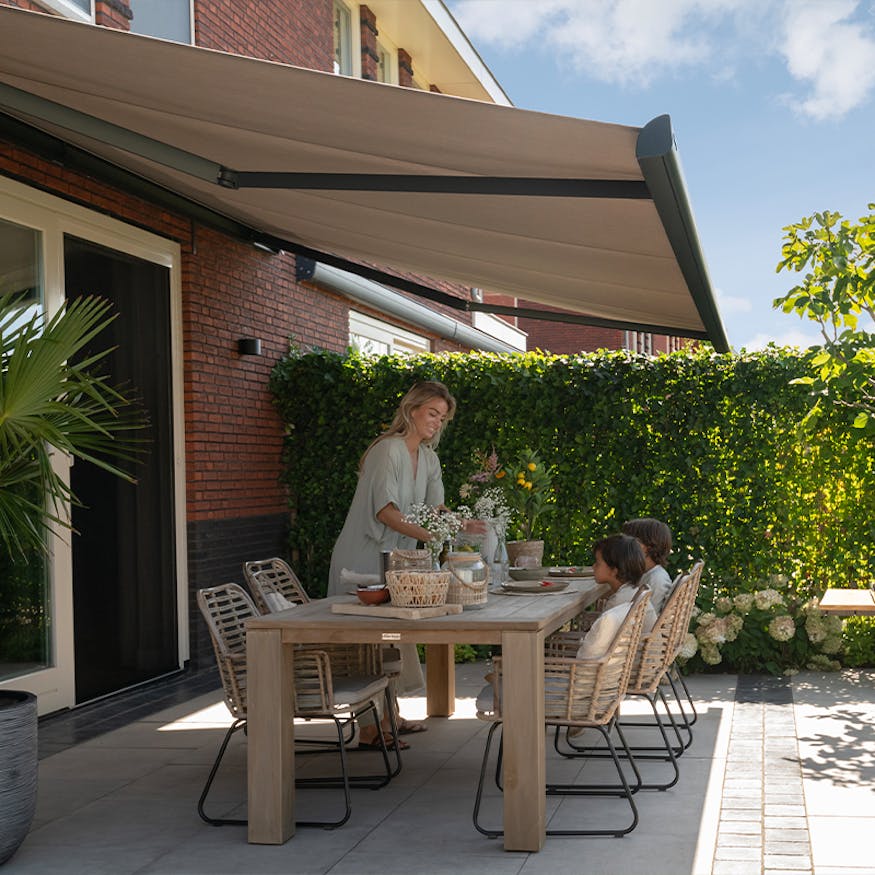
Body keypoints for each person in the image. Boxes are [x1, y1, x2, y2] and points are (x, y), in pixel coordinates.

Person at [328, 381, 484, 747]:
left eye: (442, 417)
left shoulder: (428, 458)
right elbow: (386, 512)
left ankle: (391, 717)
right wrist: (432, 537)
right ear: (411, 410)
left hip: (398, 562)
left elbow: (435, 510)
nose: (437, 422)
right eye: (432, 413)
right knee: (368, 643)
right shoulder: (387, 451)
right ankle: (370, 729)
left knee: (393, 638)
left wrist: (464, 525)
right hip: (362, 559)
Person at [577, 532, 657, 634]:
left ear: (614, 571)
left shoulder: (617, 604)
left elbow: (598, 639)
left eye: (598, 562)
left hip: (637, 649)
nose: (593, 566)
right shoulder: (632, 591)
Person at [621, 517, 674, 614]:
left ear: (646, 548)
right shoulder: (645, 574)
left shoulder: (656, 580)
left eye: (629, 544)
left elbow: (647, 620)